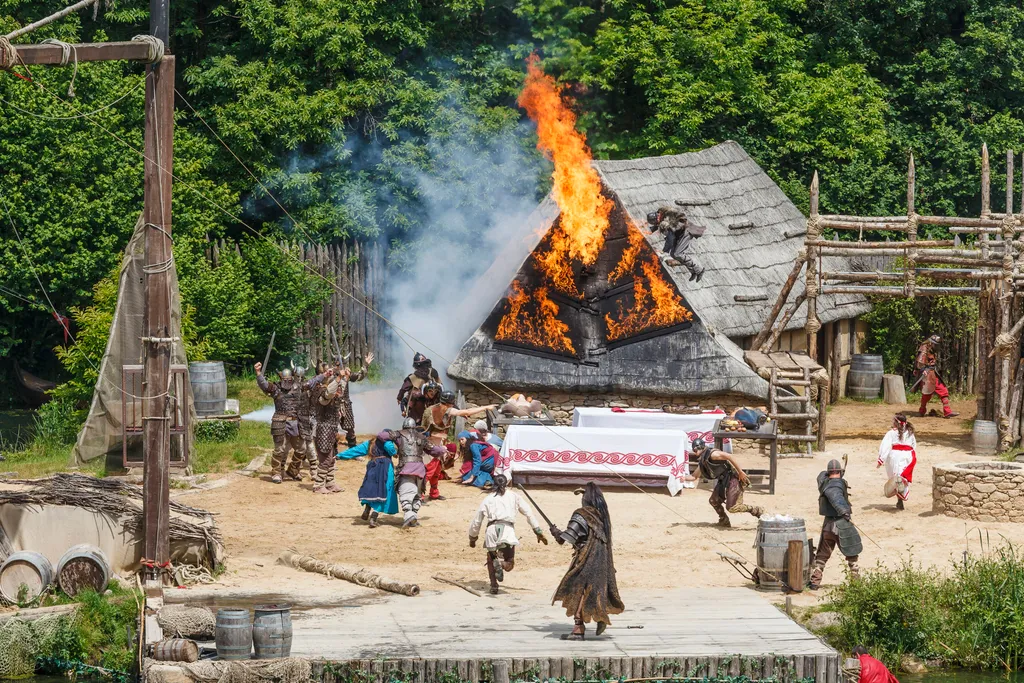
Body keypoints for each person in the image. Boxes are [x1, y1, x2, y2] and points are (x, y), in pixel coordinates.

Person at [549, 483, 624, 639]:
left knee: (579, 589)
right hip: (601, 558)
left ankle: (578, 628)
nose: (582, 499)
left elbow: (568, 538)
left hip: (587, 558)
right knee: (591, 590)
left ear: (587, 498)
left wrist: (556, 533)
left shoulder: (581, 514)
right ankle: (598, 616)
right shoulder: (601, 516)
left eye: (583, 496)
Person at [468, 474, 547, 594]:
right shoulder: (514, 496)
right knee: (509, 562)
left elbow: (477, 520)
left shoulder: (488, 499)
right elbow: (528, 513)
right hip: (507, 530)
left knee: (491, 558)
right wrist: (537, 531)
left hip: (491, 531)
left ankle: (494, 585)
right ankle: (501, 563)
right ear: (507, 483)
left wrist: (473, 538)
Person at [255, 361, 326, 485]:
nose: (287, 381)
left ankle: (293, 470)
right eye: (285, 379)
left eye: (289, 379)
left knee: (302, 449)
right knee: (279, 450)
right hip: (280, 422)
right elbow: (264, 385)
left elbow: (312, 382)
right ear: (282, 378)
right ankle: (276, 472)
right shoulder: (276, 389)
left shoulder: (298, 387)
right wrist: (258, 373)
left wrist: (324, 375)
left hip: (296, 423)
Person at [421, 390, 496, 500]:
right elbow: (468, 411)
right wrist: (486, 407)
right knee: (429, 470)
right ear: (449, 403)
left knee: (437, 470)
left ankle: (434, 493)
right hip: (432, 444)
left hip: (435, 442)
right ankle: (420, 495)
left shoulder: (433, 407)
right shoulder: (446, 410)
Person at [809, 459, 862, 590]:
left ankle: (815, 582)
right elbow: (836, 497)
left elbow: (821, 474)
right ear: (838, 471)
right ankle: (855, 584)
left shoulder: (823, 481)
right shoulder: (835, 486)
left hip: (828, 525)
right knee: (852, 555)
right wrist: (844, 511)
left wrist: (837, 475)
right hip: (841, 523)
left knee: (822, 555)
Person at [690, 437, 763, 527]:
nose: (695, 452)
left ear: (700, 447)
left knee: (732, 507)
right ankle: (724, 520)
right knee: (714, 500)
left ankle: (756, 510)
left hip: (732, 478)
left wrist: (740, 472)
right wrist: (680, 478)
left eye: (696, 449)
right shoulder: (703, 460)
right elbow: (694, 476)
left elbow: (729, 456)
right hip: (723, 480)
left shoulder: (713, 454)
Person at [395, 418, 445, 528]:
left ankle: (408, 514)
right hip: (420, 469)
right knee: (417, 495)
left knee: (406, 491)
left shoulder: (399, 435)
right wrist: (443, 449)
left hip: (406, 468)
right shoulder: (422, 437)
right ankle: (414, 516)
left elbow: (382, 436)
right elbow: (436, 451)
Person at [311, 367, 346, 494]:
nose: (340, 390)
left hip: (330, 432)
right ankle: (318, 485)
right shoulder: (324, 396)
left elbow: (338, 389)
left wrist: (344, 377)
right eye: (338, 387)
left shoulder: (334, 396)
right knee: (325, 460)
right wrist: (338, 379)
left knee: (331, 459)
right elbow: (329, 392)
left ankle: (330, 483)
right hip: (322, 431)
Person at [647, 206, 705, 282]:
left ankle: (699, 269)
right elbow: (658, 225)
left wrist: (664, 251)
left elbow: (670, 239)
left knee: (678, 254)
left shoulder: (665, 223)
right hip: (679, 233)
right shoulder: (662, 214)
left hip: (686, 232)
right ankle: (693, 271)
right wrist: (650, 230)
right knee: (673, 254)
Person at [358, 430, 399, 528]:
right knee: (384, 491)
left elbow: (356, 450)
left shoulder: (371, 443)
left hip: (372, 466)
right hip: (385, 467)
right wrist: (395, 453)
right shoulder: (387, 442)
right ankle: (374, 517)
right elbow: (391, 450)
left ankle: (367, 509)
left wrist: (339, 456)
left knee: (372, 489)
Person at [285, 365, 319, 482]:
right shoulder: (288, 387)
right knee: (286, 446)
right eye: (297, 376)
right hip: (291, 420)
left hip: (305, 419)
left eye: (301, 376)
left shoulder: (307, 387)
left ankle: (313, 470)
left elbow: (313, 402)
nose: (299, 379)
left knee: (308, 445)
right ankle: (282, 470)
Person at [877, 413, 917, 511]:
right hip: (907, 456)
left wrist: (881, 460)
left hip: (895, 456)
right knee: (902, 477)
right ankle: (900, 499)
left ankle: (900, 499)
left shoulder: (891, 433)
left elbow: (885, 446)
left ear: (896, 422)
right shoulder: (910, 432)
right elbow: (913, 445)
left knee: (895, 478)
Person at [915, 335, 958, 418]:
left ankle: (947, 411)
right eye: (935, 343)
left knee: (943, 390)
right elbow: (920, 363)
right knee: (927, 394)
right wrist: (922, 369)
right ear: (930, 342)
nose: (936, 345)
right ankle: (922, 410)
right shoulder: (924, 348)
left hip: (933, 373)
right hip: (927, 374)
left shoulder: (931, 349)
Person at [336, 352, 373, 449]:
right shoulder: (331, 374)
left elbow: (359, 376)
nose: (340, 365)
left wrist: (366, 365)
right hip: (333, 405)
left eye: (341, 363)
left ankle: (353, 451)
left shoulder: (347, 374)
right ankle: (332, 454)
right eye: (338, 363)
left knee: (350, 429)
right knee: (332, 429)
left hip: (346, 404)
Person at [397, 353, 441, 418]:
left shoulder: (412, 377)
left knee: (409, 401)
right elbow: (440, 384)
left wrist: (399, 398)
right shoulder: (434, 372)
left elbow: (404, 388)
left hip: (419, 402)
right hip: (434, 401)